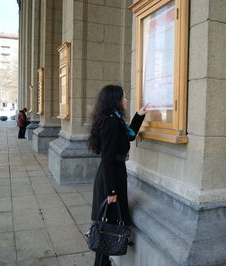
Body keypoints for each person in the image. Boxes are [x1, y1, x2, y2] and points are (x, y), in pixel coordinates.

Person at [88, 85, 149, 266]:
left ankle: (103, 263)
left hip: (114, 174)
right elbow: (107, 159)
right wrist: (111, 191)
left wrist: (139, 115)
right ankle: (101, 263)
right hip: (111, 177)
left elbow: (129, 136)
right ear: (115, 99)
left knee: (110, 223)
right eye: (124, 97)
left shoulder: (115, 119)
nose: (126, 100)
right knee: (106, 225)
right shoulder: (111, 122)